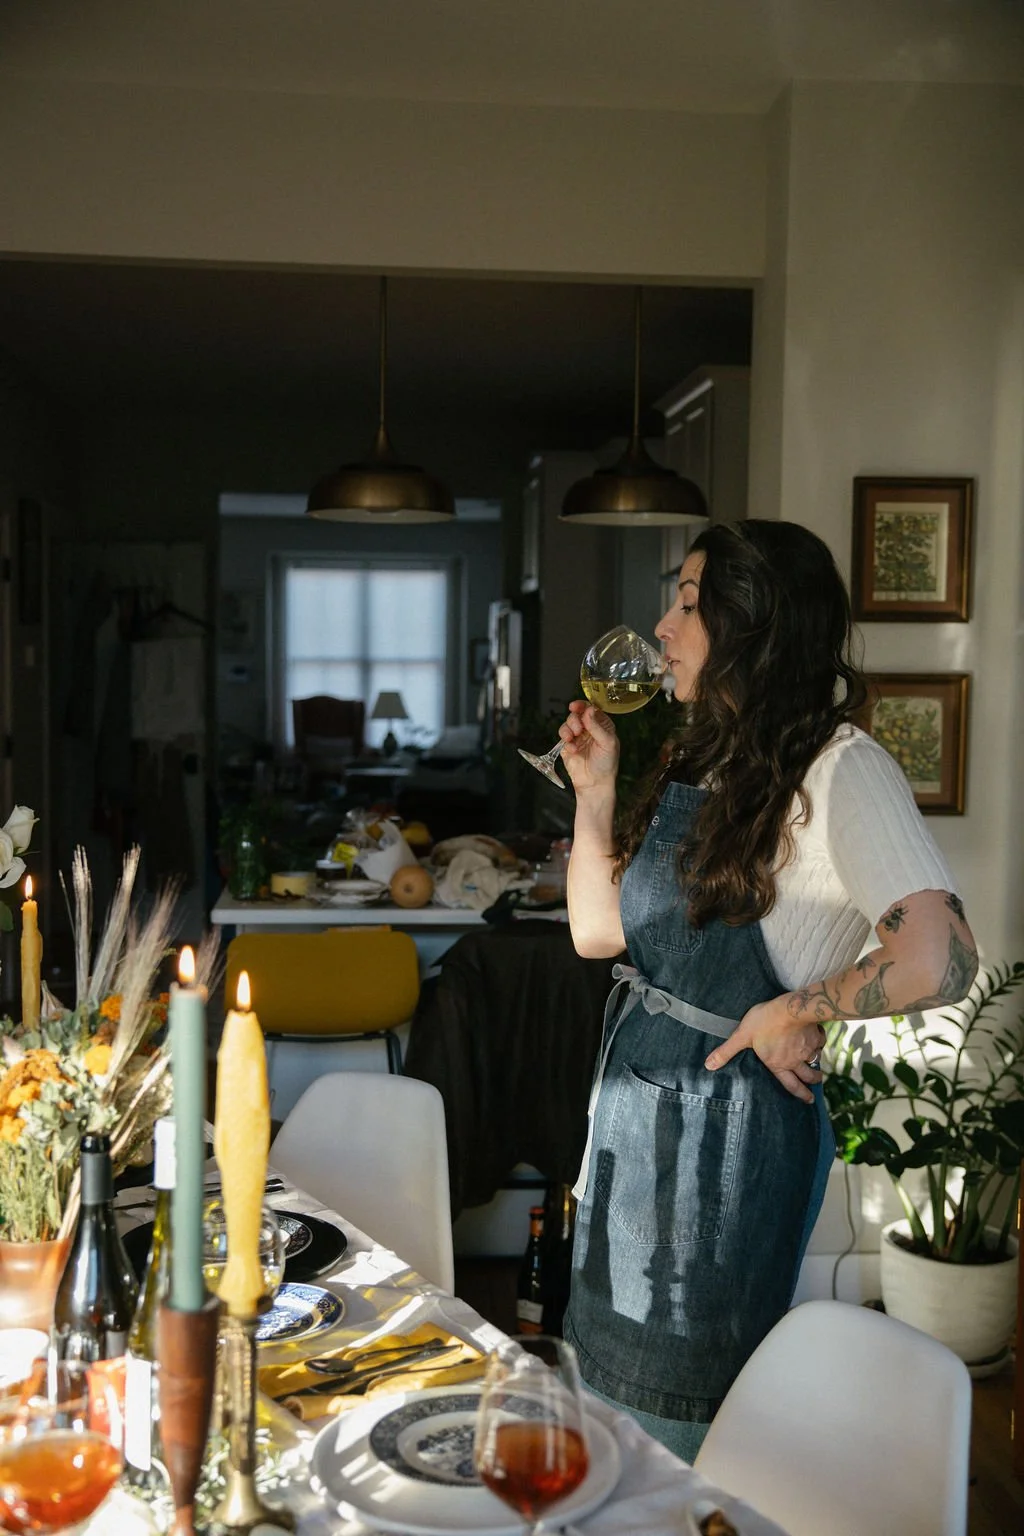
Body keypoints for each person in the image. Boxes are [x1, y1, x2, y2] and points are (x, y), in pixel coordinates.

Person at [558, 519, 977, 1461]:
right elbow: (599, 933)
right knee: (607, 1426)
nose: (663, 626)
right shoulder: (711, 758)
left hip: (722, 1148)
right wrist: (595, 792)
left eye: (689, 602)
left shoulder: (842, 768)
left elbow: (939, 954)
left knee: (679, 1439)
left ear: (753, 624)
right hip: (635, 1127)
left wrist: (795, 1008)